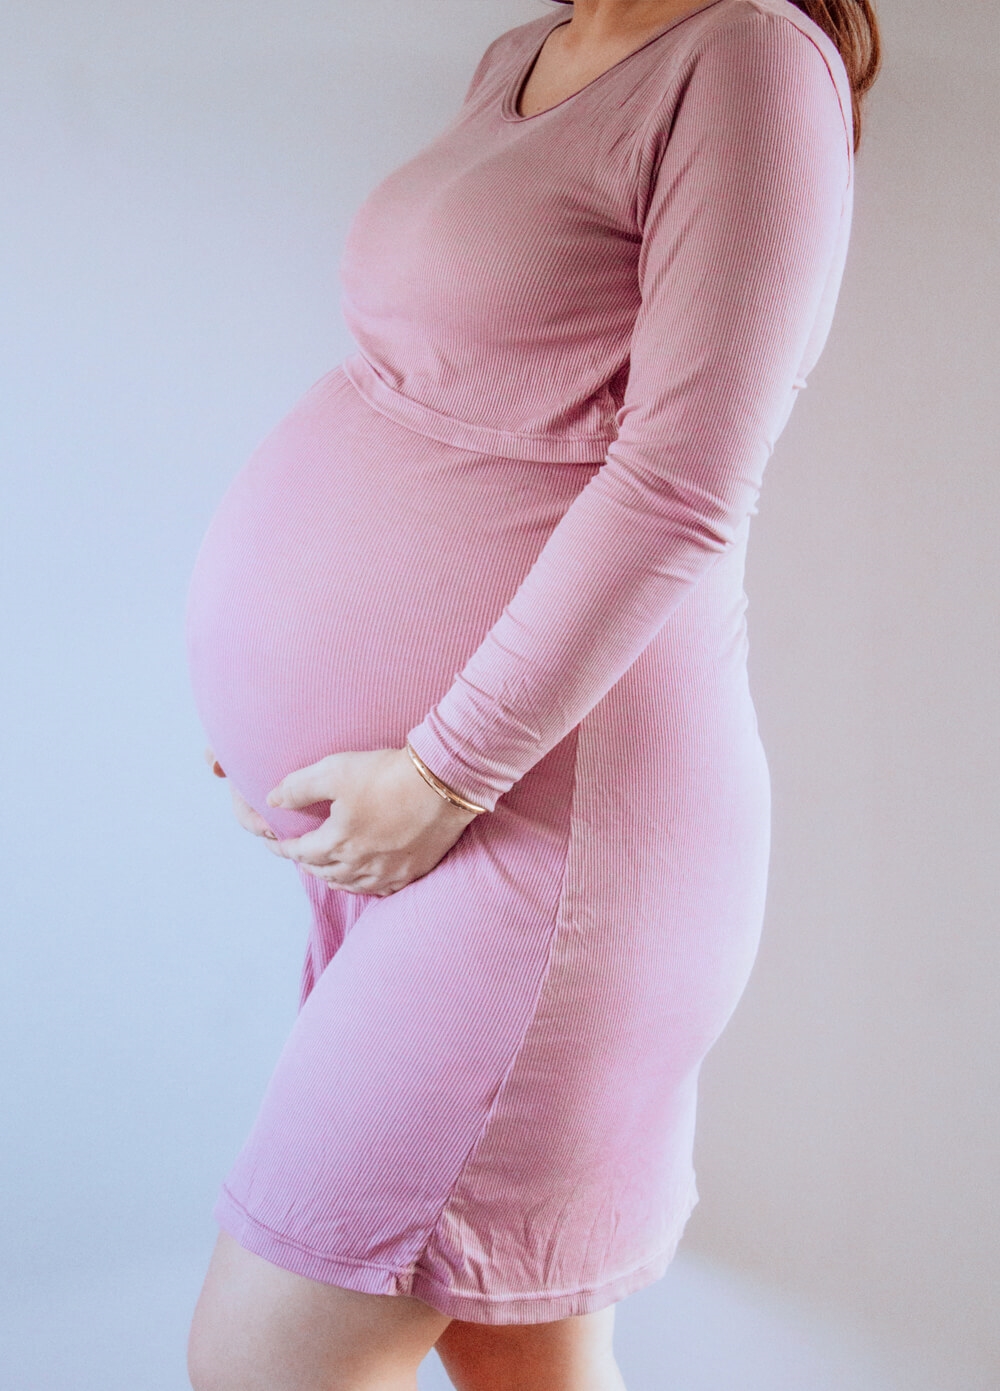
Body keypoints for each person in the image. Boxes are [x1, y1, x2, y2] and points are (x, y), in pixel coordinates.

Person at [183, 0, 880, 1387]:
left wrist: (442, 769)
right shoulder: (526, 52)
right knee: (524, 1366)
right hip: (413, 832)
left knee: (265, 1366)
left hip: (541, 842)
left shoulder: (747, 62)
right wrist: (284, 690)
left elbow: (684, 486)